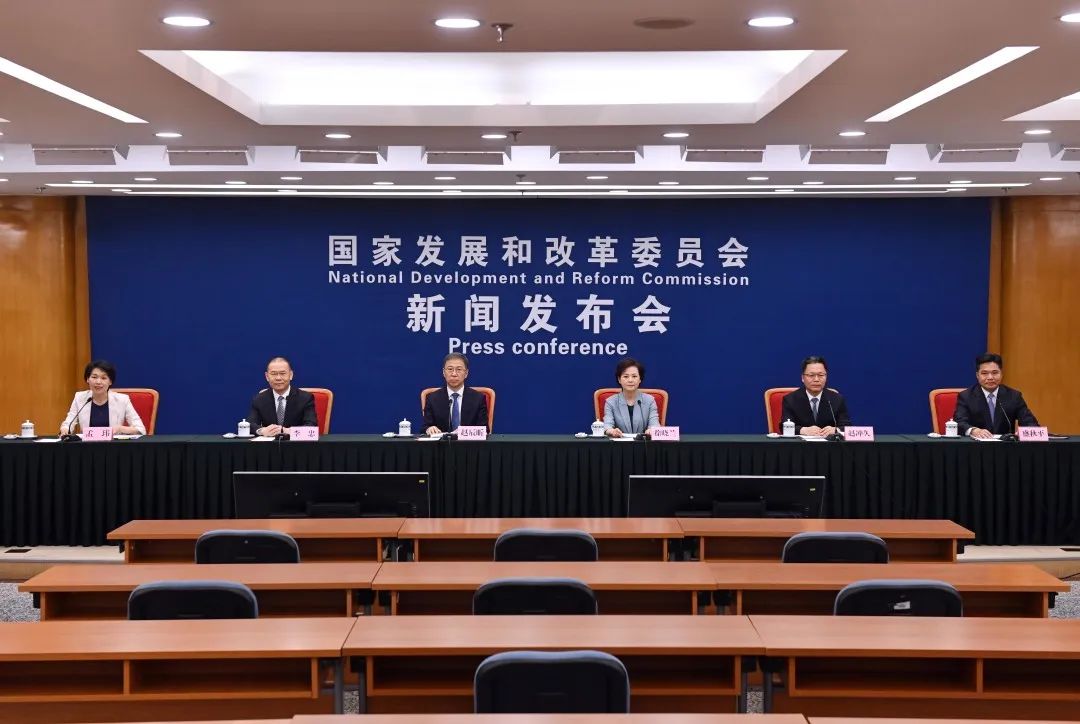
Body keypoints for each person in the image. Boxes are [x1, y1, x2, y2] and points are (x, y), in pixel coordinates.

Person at [954, 353, 1039, 439]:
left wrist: (1024, 432)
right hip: (976, 445)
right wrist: (974, 430)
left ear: (1001, 374)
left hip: (1006, 445)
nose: (990, 377)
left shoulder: (1014, 396)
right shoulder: (966, 396)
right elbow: (959, 422)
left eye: (995, 373)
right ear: (977, 375)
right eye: (984, 373)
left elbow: (1030, 422)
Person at [59, 360, 146, 435]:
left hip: (113, 446)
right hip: (87, 446)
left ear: (110, 382)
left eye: (104, 378)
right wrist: (65, 429)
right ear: (87, 379)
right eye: (94, 377)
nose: (98, 382)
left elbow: (140, 429)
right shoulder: (79, 398)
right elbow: (68, 424)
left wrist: (120, 428)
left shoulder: (122, 400)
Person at [780, 355, 850, 436]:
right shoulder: (790, 399)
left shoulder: (837, 399)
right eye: (811, 375)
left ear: (826, 377)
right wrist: (803, 430)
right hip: (801, 443)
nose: (816, 379)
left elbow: (847, 426)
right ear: (802, 378)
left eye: (821, 375)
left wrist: (835, 430)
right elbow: (784, 427)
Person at [247, 356, 317, 436]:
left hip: (296, 442)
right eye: (273, 374)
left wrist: (286, 431)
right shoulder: (259, 399)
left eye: (283, 373)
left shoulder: (305, 398)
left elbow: (311, 427)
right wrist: (262, 431)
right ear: (267, 376)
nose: (278, 378)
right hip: (269, 443)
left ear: (291, 375)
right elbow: (250, 425)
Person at [423, 353, 489, 434]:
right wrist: (429, 428)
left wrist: (462, 432)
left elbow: (484, 429)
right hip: (442, 442)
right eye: (450, 369)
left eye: (459, 369)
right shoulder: (432, 398)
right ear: (444, 372)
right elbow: (425, 427)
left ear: (466, 373)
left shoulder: (478, 398)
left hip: (469, 442)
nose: (454, 374)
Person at [603, 357, 660, 438]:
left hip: (643, 444)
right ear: (619, 379)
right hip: (619, 443)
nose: (630, 380)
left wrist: (652, 430)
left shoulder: (650, 400)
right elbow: (607, 426)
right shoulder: (611, 402)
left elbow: (654, 424)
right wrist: (611, 431)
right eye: (626, 376)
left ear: (640, 379)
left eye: (634, 376)